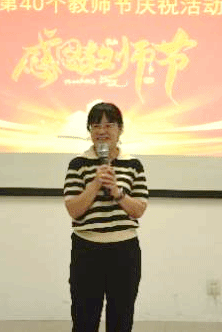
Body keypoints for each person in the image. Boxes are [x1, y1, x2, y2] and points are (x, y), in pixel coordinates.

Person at [63, 102, 149, 332]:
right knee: (84, 319)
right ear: (89, 131)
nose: (102, 131)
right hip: (86, 249)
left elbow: (138, 210)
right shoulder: (78, 164)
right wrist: (95, 183)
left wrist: (116, 191)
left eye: (109, 125)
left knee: (121, 319)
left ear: (120, 129)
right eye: (96, 126)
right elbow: (73, 209)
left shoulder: (133, 164)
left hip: (124, 250)